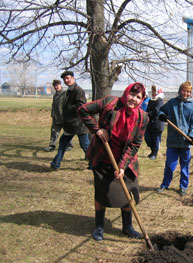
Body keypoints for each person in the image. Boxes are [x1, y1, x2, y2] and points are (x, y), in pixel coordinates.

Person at [78, 82, 149, 241]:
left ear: (142, 99)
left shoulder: (142, 118)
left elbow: (134, 144)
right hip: (103, 156)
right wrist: (97, 130)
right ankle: (99, 226)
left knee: (127, 192)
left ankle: (128, 227)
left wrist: (123, 167)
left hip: (126, 161)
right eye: (132, 94)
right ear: (126, 93)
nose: (134, 99)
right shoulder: (110, 103)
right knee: (101, 192)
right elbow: (83, 110)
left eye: (138, 97)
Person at [157, 81, 193, 196]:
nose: (186, 93)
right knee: (170, 165)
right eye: (184, 90)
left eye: (188, 91)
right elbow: (161, 111)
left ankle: (183, 186)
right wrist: (162, 115)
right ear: (180, 90)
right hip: (173, 141)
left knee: (185, 166)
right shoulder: (172, 103)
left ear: (190, 93)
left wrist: (191, 136)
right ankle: (165, 184)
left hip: (185, 143)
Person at [50, 71, 90, 170]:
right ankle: (56, 163)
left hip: (78, 124)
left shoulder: (78, 90)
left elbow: (81, 105)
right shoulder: (69, 90)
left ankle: (95, 164)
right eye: (64, 79)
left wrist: (68, 108)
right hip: (70, 124)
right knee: (63, 143)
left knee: (85, 145)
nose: (66, 81)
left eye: (68, 78)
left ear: (73, 78)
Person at [44, 80, 73, 152]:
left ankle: (69, 145)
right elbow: (53, 106)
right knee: (54, 132)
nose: (56, 87)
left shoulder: (65, 94)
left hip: (64, 118)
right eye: (55, 86)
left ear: (60, 85)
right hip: (56, 118)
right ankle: (52, 146)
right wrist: (52, 114)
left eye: (57, 85)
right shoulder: (55, 96)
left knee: (67, 132)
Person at [144, 85, 165, 160]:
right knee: (148, 138)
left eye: (154, 91)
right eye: (152, 91)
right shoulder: (151, 100)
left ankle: (154, 153)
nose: (153, 92)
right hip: (150, 123)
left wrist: (148, 114)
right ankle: (152, 151)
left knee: (155, 139)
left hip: (157, 123)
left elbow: (156, 111)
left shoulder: (159, 100)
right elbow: (148, 109)